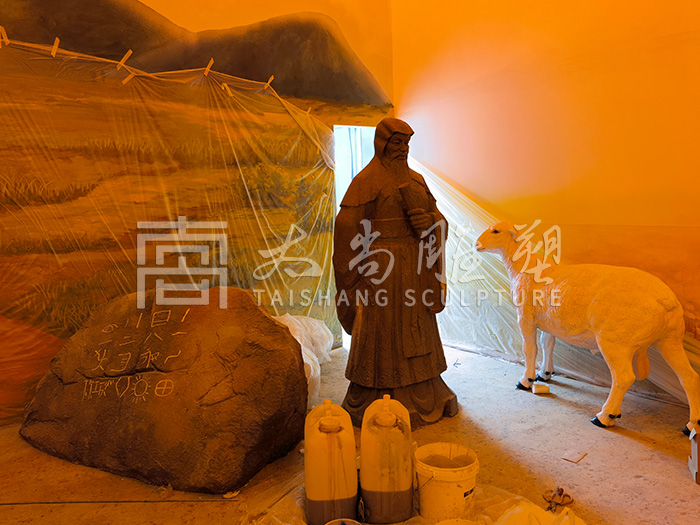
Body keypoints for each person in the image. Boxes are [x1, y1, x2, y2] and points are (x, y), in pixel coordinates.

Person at [333, 117, 459, 427]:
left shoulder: (416, 180)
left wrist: (429, 222)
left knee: (418, 325)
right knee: (383, 327)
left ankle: (427, 387)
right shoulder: (366, 181)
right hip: (381, 271)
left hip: (415, 267)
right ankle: (380, 390)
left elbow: (439, 219)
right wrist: (353, 276)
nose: (403, 149)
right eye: (396, 142)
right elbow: (347, 227)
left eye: (406, 143)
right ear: (382, 143)